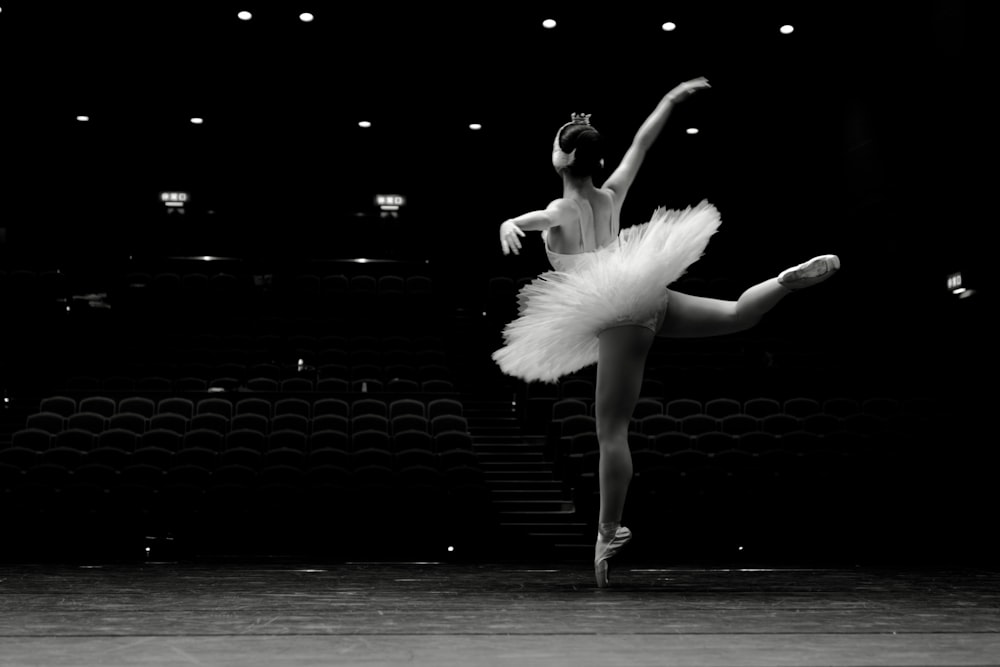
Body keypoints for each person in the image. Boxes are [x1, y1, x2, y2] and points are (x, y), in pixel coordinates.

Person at [493, 77, 840, 587]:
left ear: (563, 160)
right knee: (736, 316)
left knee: (611, 431)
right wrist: (672, 99)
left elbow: (545, 215)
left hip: (618, 311)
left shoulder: (563, 208)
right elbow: (641, 143)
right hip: (647, 293)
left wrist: (510, 222)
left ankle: (609, 530)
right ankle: (783, 283)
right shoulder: (611, 193)